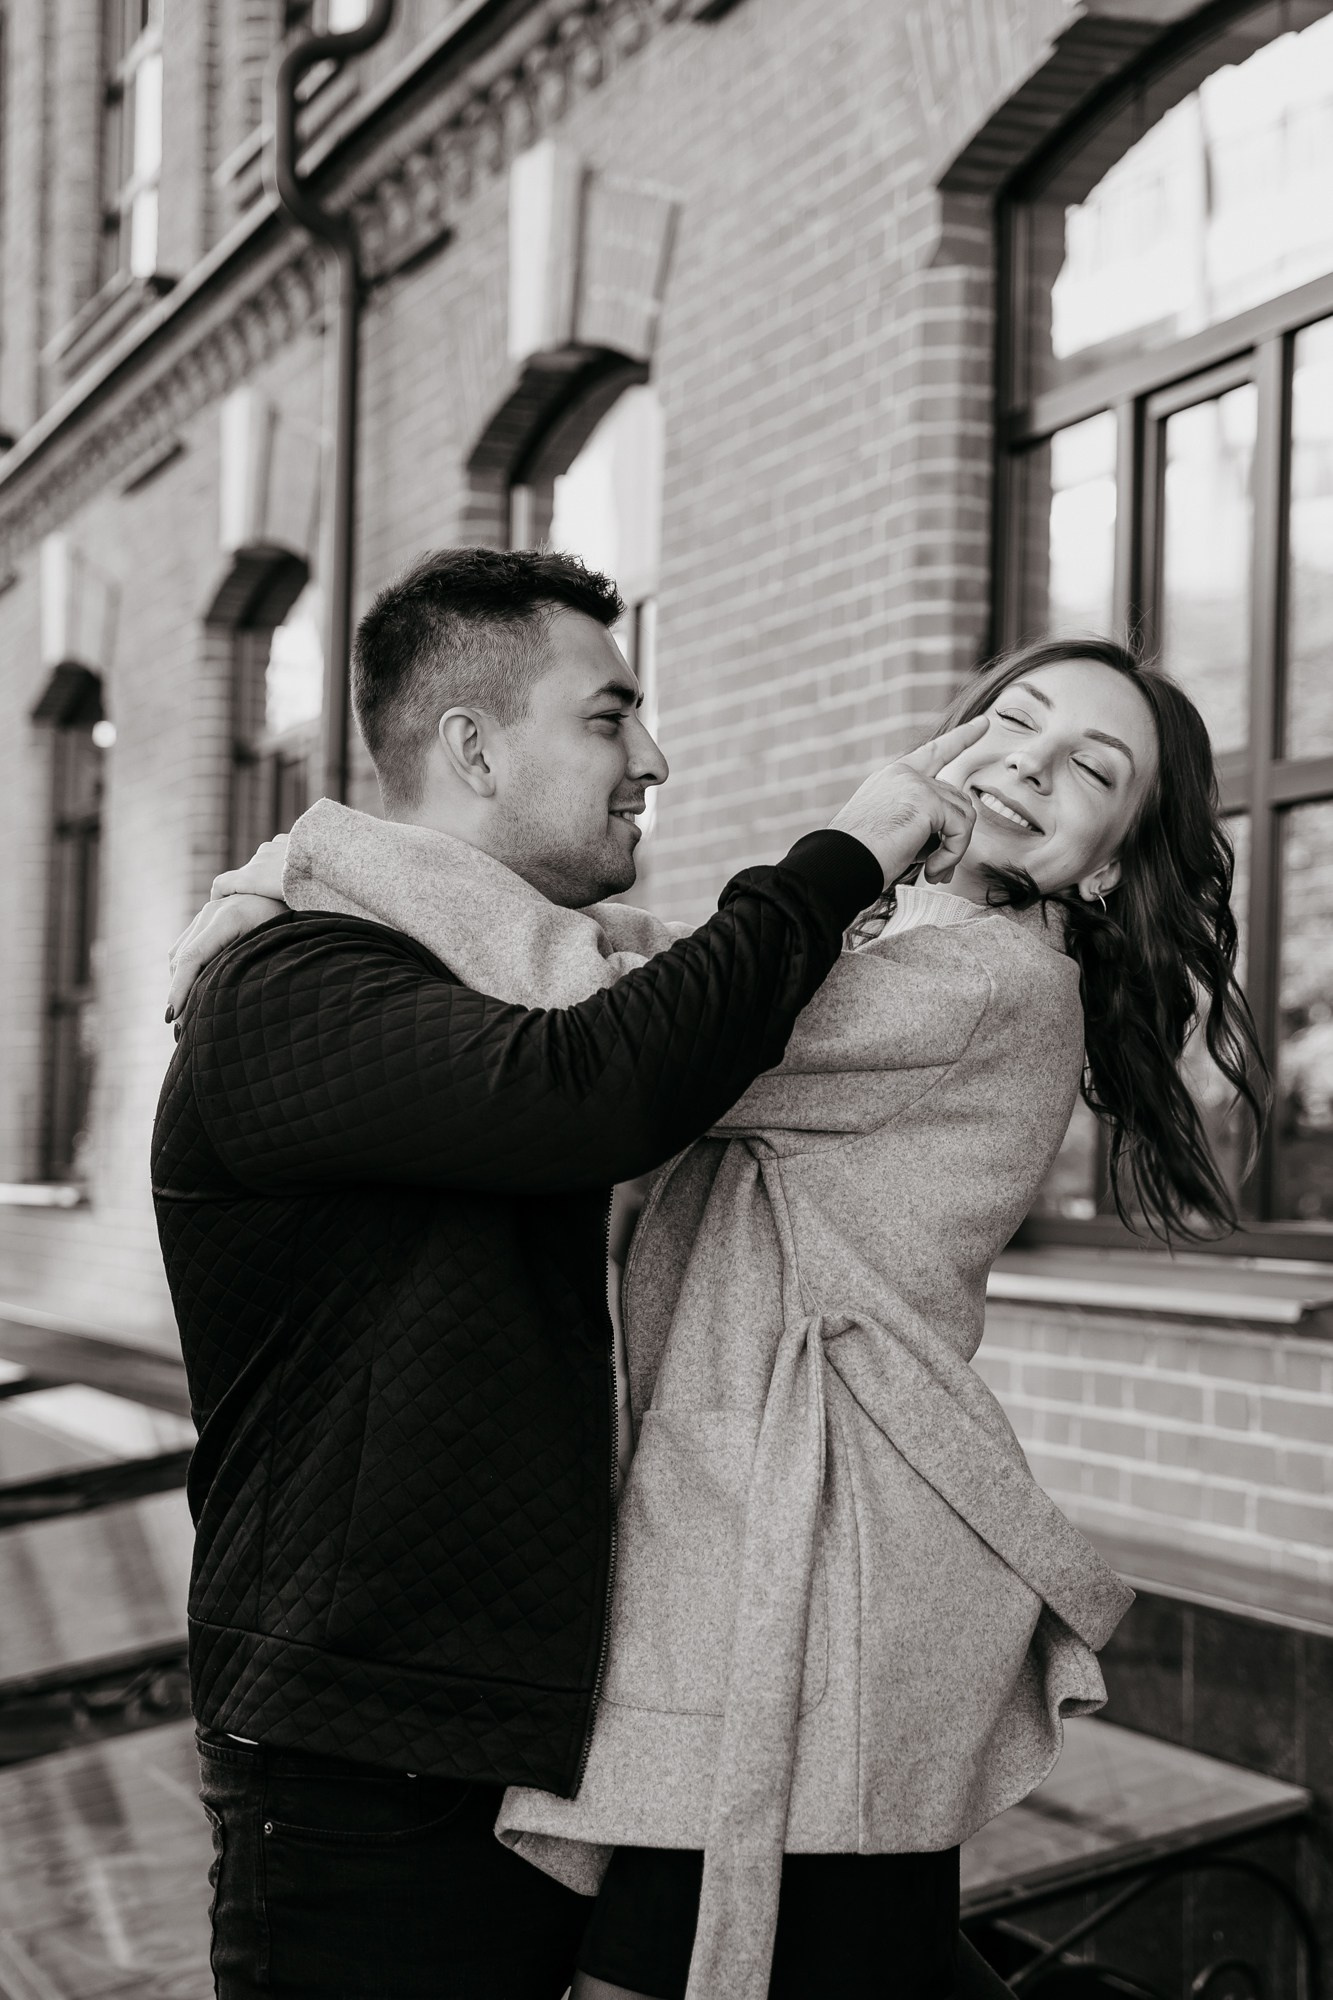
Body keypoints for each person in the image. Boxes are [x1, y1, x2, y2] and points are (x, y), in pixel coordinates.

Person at [190, 634, 1264, 2000]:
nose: (1033, 766)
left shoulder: (986, 981)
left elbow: (617, 1011)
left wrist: (310, 865)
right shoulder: (901, 943)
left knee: (699, 1960)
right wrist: (300, 874)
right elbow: (677, 956)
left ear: (1106, 866)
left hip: (818, 1546)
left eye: (1091, 771)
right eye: (1017, 720)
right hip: (764, 1512)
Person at [152, 545, 989, 2000]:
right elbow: (594, 1087)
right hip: (365, 1770)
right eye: (610, 717)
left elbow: (662, 1016)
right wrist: (845, 851)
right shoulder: (290, 986)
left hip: (549, 1742)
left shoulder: (499, 972)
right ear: (473, 748)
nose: (651, 759)